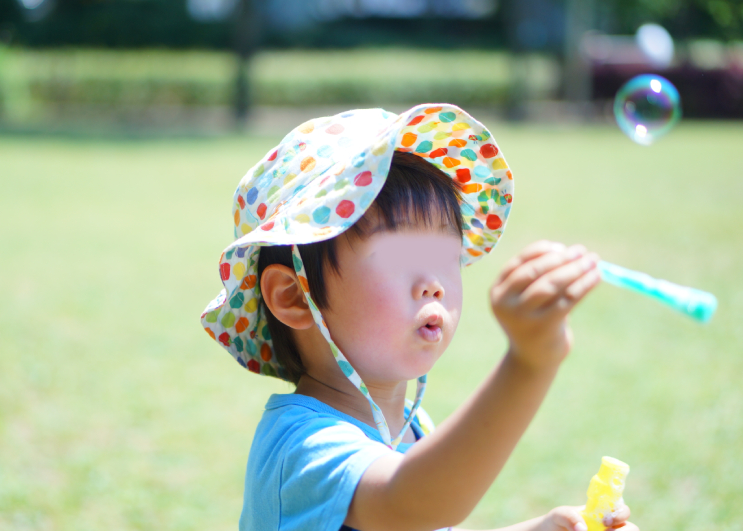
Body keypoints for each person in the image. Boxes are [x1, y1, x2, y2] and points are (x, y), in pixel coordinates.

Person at [201, 104, 638, 531]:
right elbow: (411, 502)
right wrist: (528, 363)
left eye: (446, 255)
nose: (434, 283)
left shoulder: (413, 430)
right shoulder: (300, 444)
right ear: (294, 296)